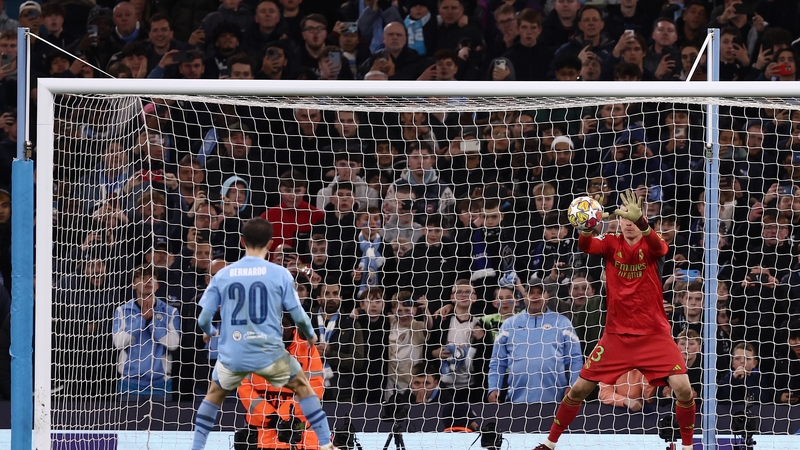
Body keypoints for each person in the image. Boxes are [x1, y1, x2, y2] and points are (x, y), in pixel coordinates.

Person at [534, 190, 696, 450]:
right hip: (616, 337)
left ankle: (687, 447)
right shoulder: (611, 243)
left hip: (654, 335)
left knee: (684, 390)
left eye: (634, 218)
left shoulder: (652, 243)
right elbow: (585, 246)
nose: (628, 222)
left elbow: (661, 247)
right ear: (618, 221)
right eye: (624, 218)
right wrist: (587, 226)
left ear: (642, 219)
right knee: (577, 390)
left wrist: (643, 223)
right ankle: (549, 444)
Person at [190, 218, 337, 450]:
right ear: (270, 243)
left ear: (241, 241)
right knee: (303, 388)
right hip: (266, 348)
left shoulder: (224, 274)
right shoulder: (278, 274)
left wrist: (210, 332)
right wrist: (310, 335)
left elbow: (203, 319)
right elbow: (298, 314)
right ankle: (326, 443)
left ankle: (196, 446)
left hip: (235, 349)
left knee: (212, 397)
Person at [236, 313, 325, 450]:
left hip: (299, 434)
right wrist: (271, 416)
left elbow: (314, 389)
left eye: (284, 323)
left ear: (293, 326)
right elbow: (244, 388)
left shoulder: (308, 351)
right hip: (259, 436)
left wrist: (283, 416)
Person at [487, 283, 583, 403]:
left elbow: (575, 359)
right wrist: (493, 388)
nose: (535, 296)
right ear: (524, 295)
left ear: (547, 296)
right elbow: (497, 362)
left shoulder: (563, 323)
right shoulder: (509, 325)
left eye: (540, 292)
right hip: (516, 402)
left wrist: (573, 386)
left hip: (556, 402)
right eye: (531, 293)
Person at [112, 264, 180, 398]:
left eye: (151, 278)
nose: (148, 281)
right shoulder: (122, 310)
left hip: (160, 384)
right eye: (142, 277)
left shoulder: (171, 312)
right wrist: (142, 320)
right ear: (133, 284)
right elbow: (119, 343)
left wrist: (153, 322)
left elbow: (173, 344)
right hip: (129, 383)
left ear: (158, 285)